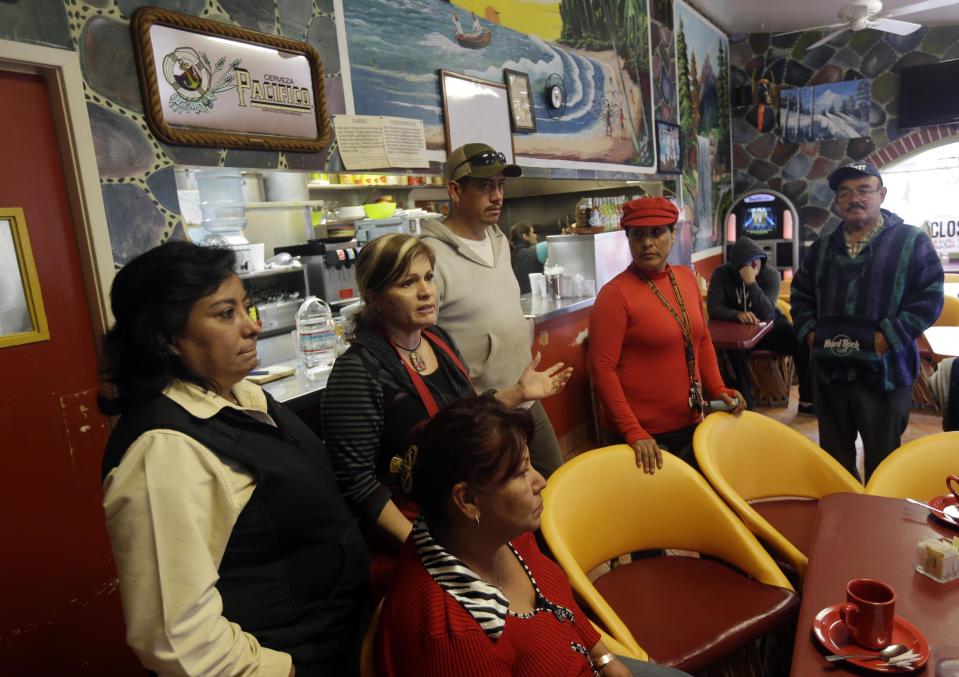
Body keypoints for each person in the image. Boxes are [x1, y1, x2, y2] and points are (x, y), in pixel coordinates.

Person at [99, 241, 369, 676]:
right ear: (165, 336)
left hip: (344, 637)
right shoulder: (164, 450)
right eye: (226, 314)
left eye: (247, 307)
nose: (252, 327)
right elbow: (176, 639)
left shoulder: (241, 395)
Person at [322, 233, 571, 595]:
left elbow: (465, 424)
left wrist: (518, 393)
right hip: (417, 537)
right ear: (374, 298)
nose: (426, 291)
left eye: (428, 277)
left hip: (462, 518)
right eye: (408, 282)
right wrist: (426, 549)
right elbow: (357, 484)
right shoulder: (357, 373)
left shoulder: (437, 339)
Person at [375, 397, 690, 677]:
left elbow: (556, 598)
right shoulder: (452, 637)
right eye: (521, 472)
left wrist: (603, 656)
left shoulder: (498, 533)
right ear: (468, 500)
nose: (540, 481)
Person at [791, 161, 943, 481]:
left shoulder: (911, 242)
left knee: (885, 464)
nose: (854, 198)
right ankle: (845, 521)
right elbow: (801, 297)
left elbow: (929, 297)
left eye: (863, 190)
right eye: (844, 192)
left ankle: (879, 524)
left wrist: (887, 337)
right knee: (834, 464)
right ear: (836, 202)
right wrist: (810, 336)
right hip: (830, 375)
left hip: (885, 376)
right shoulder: (820, 249)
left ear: (882, 194)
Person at [420, 143, 566, 477]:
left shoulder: (499, 240)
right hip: (485, 408)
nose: (497, 196)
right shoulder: (428, 256)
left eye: (501, 185)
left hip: (526, 392)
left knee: (553, 480)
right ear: (455, 190)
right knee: (505, 502)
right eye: (485, 186)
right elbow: (420, 340)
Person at [589, 197, 744, 474]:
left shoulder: (685, 278)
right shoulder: (614, 295)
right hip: (644, 439)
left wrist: (718, 389)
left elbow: (702, 340)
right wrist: (633, 431)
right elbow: (602, 369)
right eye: (638, 234)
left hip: (692, 422)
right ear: (629, 239)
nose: (647, 242)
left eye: (657, 232)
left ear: (673, 235)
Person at [707, 236, 813, 412]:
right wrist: (737, 314)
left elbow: (767, 312)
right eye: (747, 265)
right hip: (738, 331)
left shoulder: (770, 274)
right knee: (734, 350)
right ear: (737, 266)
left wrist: (751, 282)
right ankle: (746, 405)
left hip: (769, 327)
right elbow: (713, 307)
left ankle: (808, 400)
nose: (753, 266)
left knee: (800, 339)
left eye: (756, 262)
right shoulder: (721, 274)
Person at [508, 221, 545, 293]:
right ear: (525, 236)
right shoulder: (534, 251)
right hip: (533, 296)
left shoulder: (510, 254)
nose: (535, 235)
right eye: (532, 233)